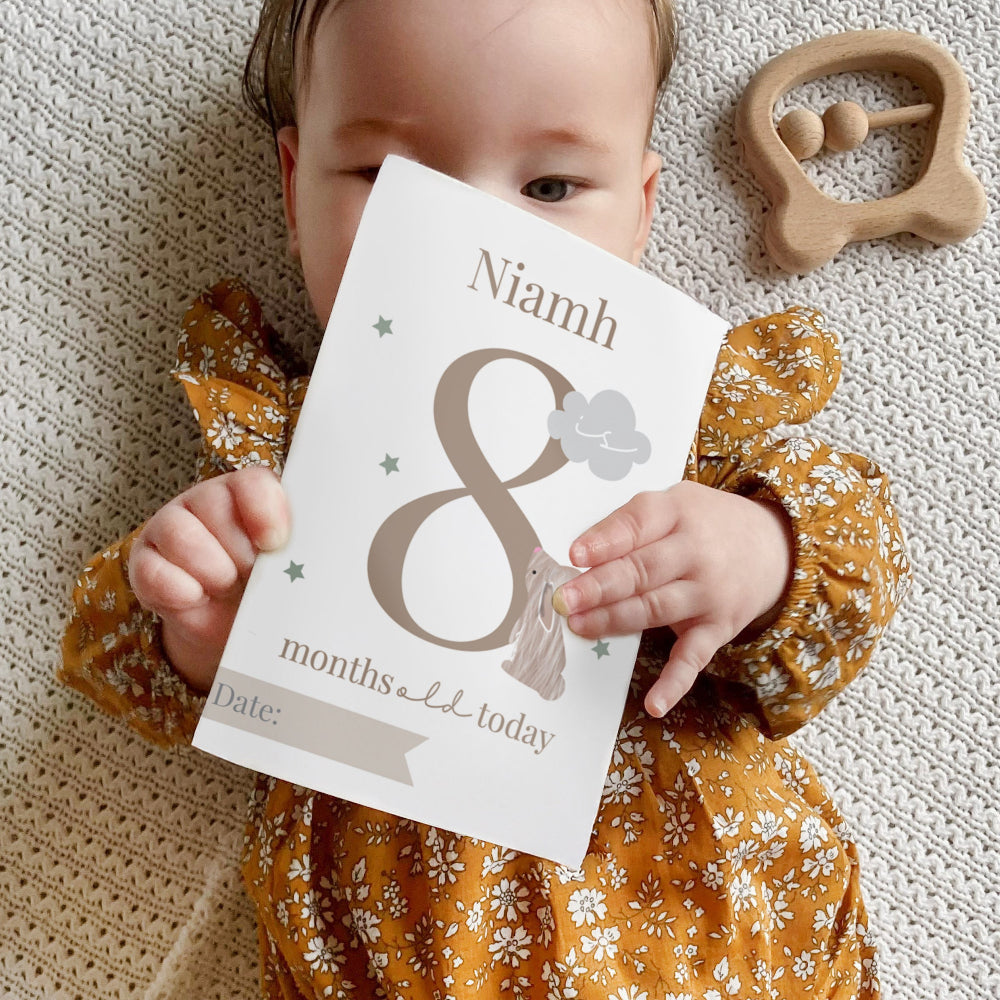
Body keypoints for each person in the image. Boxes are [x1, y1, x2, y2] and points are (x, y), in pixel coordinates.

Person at [59, 1, 911, 997]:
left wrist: (755, 553)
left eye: (550, 185)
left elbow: (851, 564)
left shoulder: (664, 427)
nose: (477, 236)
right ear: (295, 194)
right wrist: (197, 629)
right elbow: (114, 660)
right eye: (389, 178)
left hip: (702, 938)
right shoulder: (282, 457)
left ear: (638, 213)